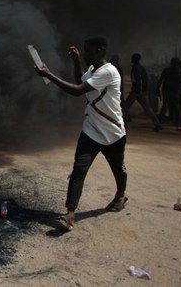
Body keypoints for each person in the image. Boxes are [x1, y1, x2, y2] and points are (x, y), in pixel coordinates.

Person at [34, 37, 127, 231]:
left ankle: (120, 195)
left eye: (88, 51)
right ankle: (70, 213)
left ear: (100, 52)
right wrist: (76, 62)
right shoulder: (93, 71)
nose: (85, 54)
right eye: (84, 51)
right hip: (91, 129)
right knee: (79, 169)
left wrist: (49, 75)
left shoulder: (108, 72)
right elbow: (80, 81)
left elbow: (77, 91)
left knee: (118, 168)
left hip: (112, 132)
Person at [122, 53, 162, 131]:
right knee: (147, 108)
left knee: (126, 107)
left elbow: (138, 80)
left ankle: (124, 124)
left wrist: (138, 91)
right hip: (141, 91)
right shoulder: (141, 67)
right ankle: (157, 123)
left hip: (136, 91)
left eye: (133, 58)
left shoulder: (136, 68)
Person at [156, 57, 181, 130]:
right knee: (172, 106)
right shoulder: (175, 70)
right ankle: (175, 124)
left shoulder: (172, 70)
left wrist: (157, 88)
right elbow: (161, 79)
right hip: (170, 90)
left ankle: (161, 123)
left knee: (170, 106)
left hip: (171, 90)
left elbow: (161, 80)